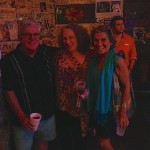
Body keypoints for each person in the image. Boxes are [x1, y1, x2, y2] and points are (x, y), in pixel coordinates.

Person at [1, 19, 58, 150]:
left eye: (36, 34)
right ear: (20, 37)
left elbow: (70, 51)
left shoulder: (47, 52)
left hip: (46, 115)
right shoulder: (9, 60)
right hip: (22, 119)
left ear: (39, 36)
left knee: (43, 145)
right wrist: (21, 116)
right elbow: (8, 90)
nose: (32, 38)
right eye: (27, 34)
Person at [86, 26, 131, 150]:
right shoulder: (94, 59)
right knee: (99, 140)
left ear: (110, 40)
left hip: (110, 110)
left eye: (103, 40)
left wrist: (123, 112)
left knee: (103, 143)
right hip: (96, 107)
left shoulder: (116, 60)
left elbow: (127, 86)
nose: (99, 44)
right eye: (96, 40)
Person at [54, 23, 90, 150]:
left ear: (79, 37)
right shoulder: (58, 56)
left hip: (84, 108)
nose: (67, 42)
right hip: (63, 108)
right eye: (65, 38)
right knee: (65, 143)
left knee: (82, 142)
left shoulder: (90, 56)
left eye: (71, 38)